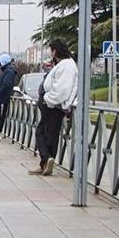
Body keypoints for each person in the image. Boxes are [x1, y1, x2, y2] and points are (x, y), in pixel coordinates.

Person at [31, 39, 79, 176]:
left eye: (51, 50)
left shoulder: (66, 66)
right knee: (48, 134)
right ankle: (45, 163)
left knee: (44, 133)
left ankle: (47, 159)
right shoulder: (65, 64)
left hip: (53, 106)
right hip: (52, 104)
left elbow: (61, 90)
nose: (51, 53)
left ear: (55, 51)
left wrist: (47, 99)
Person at [0, 53, 18, 138]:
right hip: (1, 98)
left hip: (2, 98)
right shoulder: (6, 71)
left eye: (0, 62)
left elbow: (6, 85)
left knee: (0, 116)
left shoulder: (9, 72)